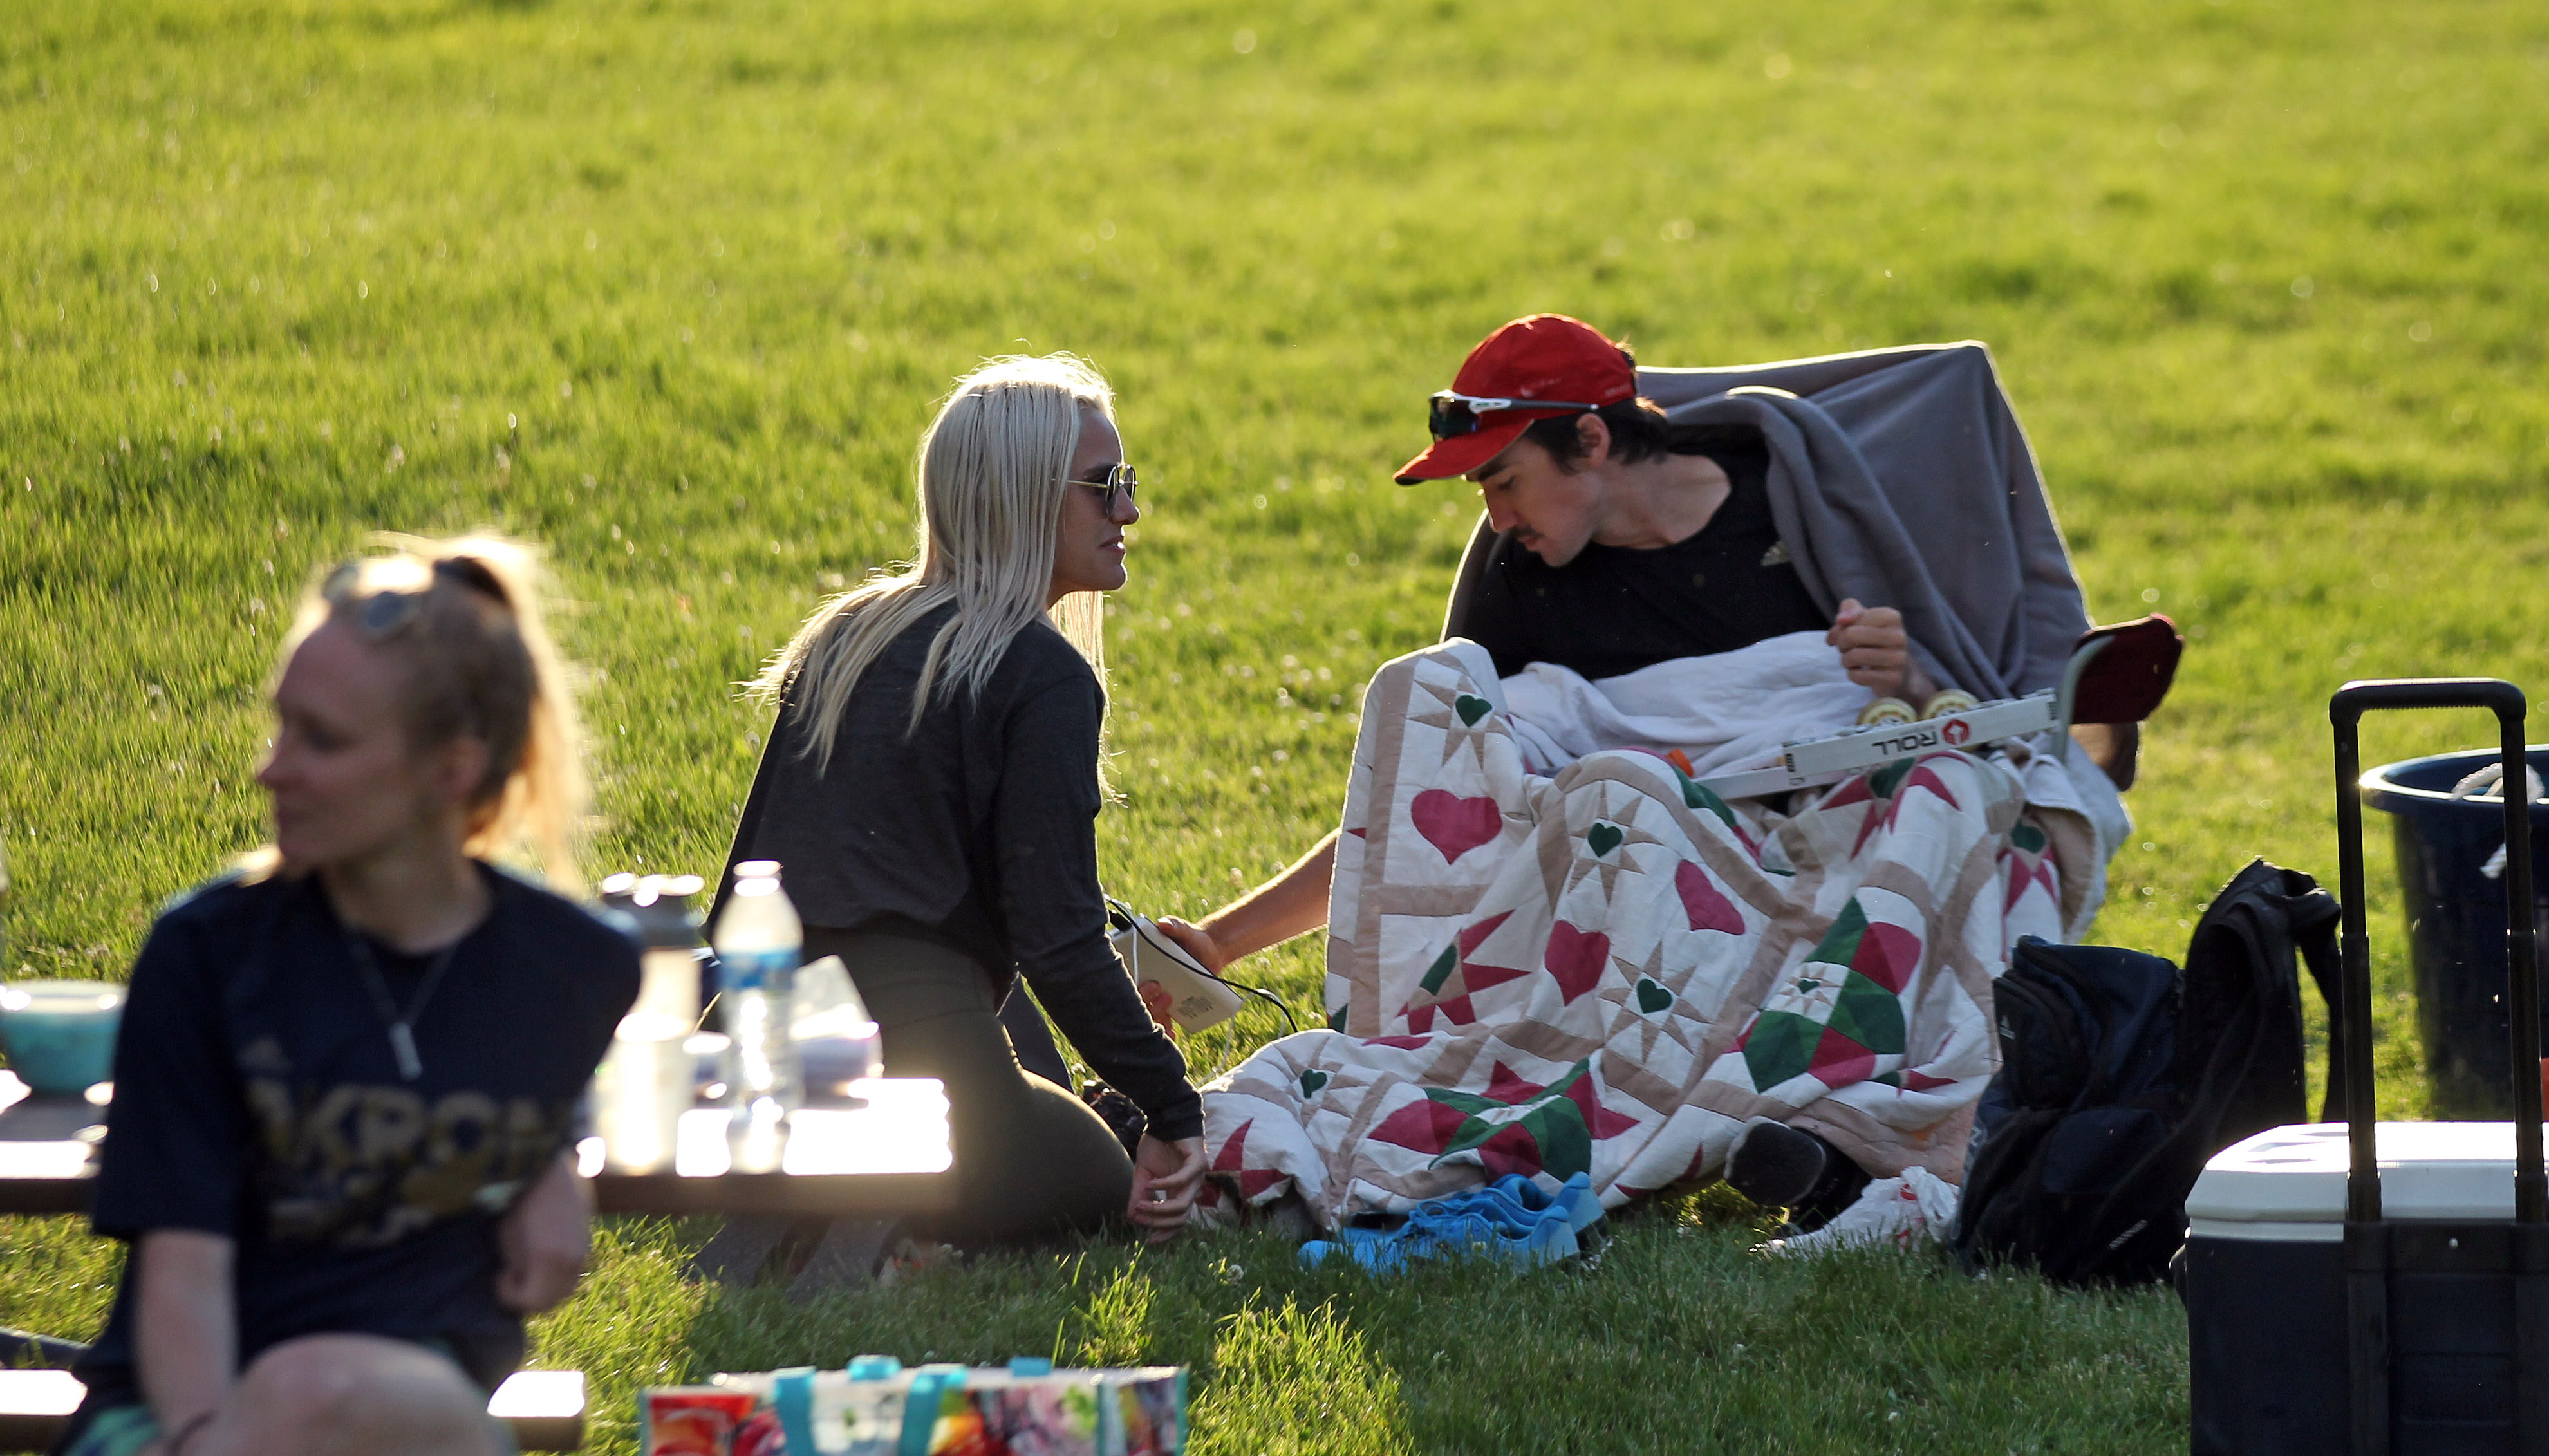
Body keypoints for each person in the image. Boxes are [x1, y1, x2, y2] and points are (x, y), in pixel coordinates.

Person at [1156, 315, 1941, 1224]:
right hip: (1629, 884)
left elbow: (1949, 712)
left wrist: (1911, 678)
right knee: (1463, 704)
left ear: (1594, 441)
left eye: (1505, 480)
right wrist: (1218, 946)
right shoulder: (1520, 580)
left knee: (1960, 795)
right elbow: (1435, 810)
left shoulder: (1794, 507)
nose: (1497, 517)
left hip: (1797, 843)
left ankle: (1855, 1112)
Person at [58, 536, 640, 1456]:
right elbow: (182, 1273)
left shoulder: (572, 967)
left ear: (450, 771)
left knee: (337, 1389)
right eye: (280, 724)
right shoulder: (210, 955)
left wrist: (558, 1151)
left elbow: (501, 1066)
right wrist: (211, 1441)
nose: (271, 768)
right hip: (179, 1411)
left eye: (320, 739)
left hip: (410, 1405)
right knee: (310, 1387)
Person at [719, 353, 1207, 1248]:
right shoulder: (1040, 671)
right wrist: (1173, 1107)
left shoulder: (844, 635)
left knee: (1017, 1045)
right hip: (907, 1048)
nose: (1130, 511)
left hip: (757, 1055)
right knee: (1098, 1171)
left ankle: (828, 1184)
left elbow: (745, 884)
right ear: (1022, 495)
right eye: (1104, 487)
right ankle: (892, 1207)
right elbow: (1059, 934)